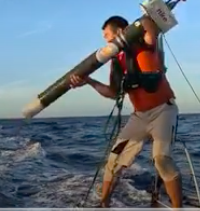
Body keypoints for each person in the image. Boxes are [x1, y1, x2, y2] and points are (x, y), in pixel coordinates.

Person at [69, 15, 182, 208]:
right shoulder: (117, 62)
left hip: (163, 110)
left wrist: (143, 19)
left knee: (161, 159)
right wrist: (88, 81)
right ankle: (104, 204)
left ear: (121, 31)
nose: (105, 41)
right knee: (113, 160)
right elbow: (112, 93)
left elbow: (149, 27)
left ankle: (177, 207)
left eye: (107, 35)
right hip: (139, 116)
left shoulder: (144, 43)